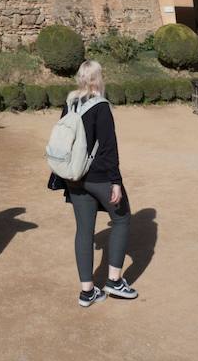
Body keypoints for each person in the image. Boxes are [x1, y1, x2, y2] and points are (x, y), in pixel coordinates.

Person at [49, 60, 138, 308]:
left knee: (84, 231)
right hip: (99, 177)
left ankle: (87, 292)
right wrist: (116, 183)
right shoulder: (101, 107)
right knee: (121, 219)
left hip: (74, 177)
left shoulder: (70, 105)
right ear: (98, 79)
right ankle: (114, 281)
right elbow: (109, 149)